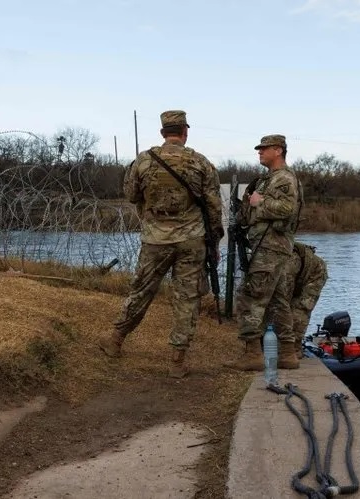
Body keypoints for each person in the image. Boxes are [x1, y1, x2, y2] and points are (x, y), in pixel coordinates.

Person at [98, 110, 223, 379]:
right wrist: (214, 241)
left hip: (156, 237)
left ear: (163, 132)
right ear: (185, 132)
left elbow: (131, 194)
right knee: (187, 297)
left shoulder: (144, 160)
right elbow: (214, 206)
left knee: (141, 289)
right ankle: (177, 360)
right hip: (192, 239)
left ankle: (115, 340)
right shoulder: (200, 162)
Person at [225, 134, 302, 371]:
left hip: (270, 248)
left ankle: (252, 355)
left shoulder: (283, 179)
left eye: (264, 149)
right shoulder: (268, 180)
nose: (259, 152)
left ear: (278, 150)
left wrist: (260, 203)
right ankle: (288, 354)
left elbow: (287, 210)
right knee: (279, 301)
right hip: (270, 247)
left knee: (250, 296)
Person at [284, 242, 328, 356]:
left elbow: (284, 296)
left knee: (301, 308)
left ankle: (295, 348)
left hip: (315, 275)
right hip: (299, 275)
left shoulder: (289, 263)